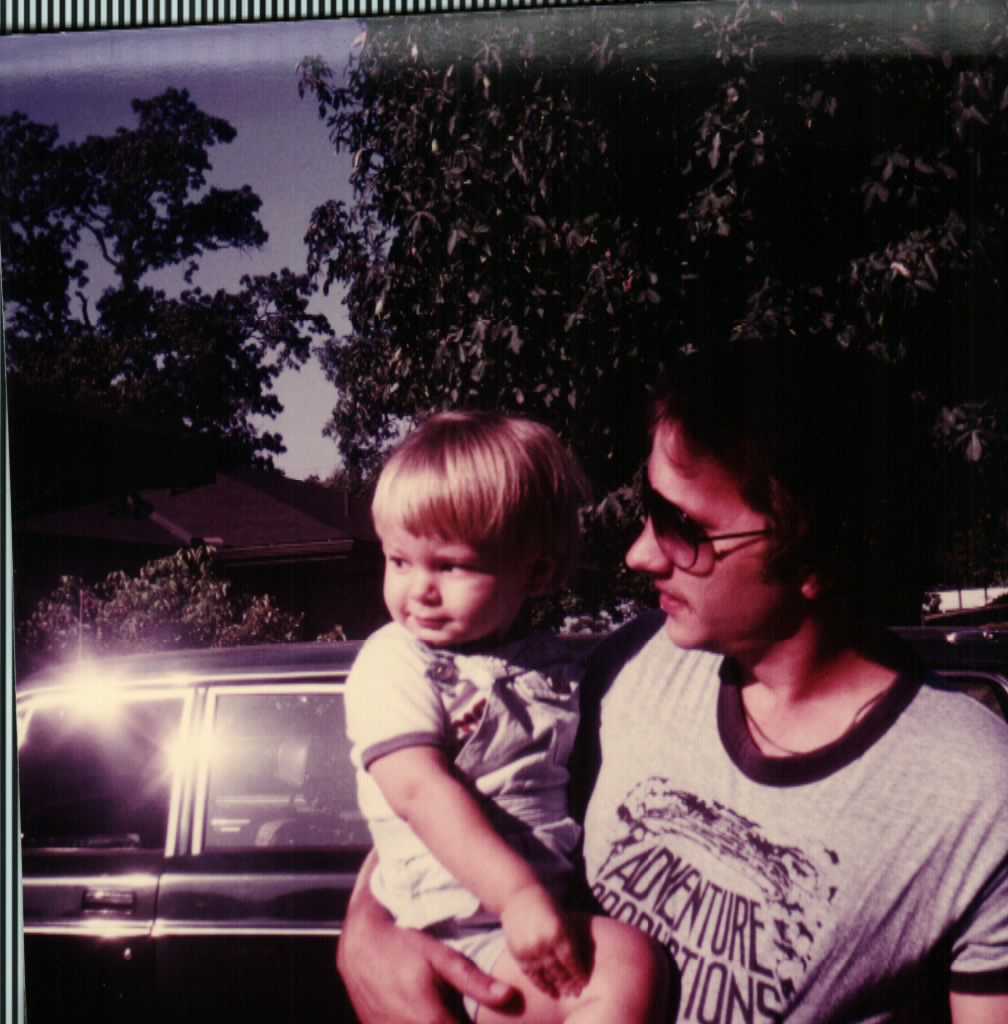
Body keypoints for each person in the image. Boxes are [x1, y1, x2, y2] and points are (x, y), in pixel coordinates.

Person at [338, 342, 1008, 1024]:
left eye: (682, 526)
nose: (639, 553)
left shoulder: (978, 796)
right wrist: (367, 934)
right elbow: (433, 801)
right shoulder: (627, 666)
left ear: (813, 557)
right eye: (648, 509)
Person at [343, 410, 669, 1023]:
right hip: (456, 923)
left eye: (450, 565)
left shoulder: (553, 665)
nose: (420, 589)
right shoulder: (397, 661)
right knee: (624, 967)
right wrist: (517, 895)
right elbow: (416, 790)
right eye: (400, 560)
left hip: (522, 923)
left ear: (537, 572)